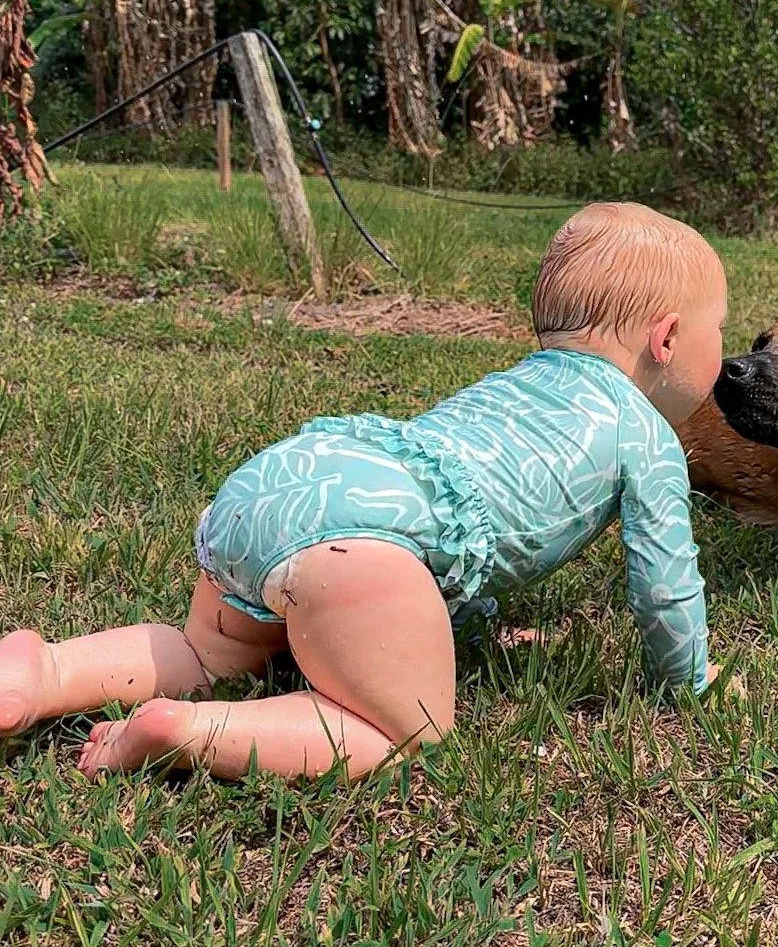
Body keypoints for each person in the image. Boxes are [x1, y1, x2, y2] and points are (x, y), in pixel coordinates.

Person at [0, 203, 727, 780]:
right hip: (353, 544)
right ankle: (185, 732)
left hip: (280, 483)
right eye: (718, 331)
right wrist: (686, 678)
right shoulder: (646, 434)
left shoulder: (512, 387)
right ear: (665, 339)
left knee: (207, 654)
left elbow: (462, 524)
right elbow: (662, 585)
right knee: (403, 729)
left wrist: (466, 627)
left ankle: (50, 667)